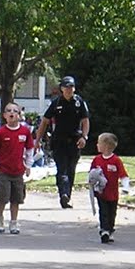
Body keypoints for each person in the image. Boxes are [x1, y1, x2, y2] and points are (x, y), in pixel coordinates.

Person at [35, 75, 90, 208]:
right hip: (59, 141)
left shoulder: (79, 102)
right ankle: (63, 194)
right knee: (62, 168)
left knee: (71, 169)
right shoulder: (56, 103)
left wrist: (84, 137)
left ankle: (67, 195)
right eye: (66, 87)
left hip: (75, 141)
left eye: (71, 87)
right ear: (62, 89)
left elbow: (85, 121)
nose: (69, 90)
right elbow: (45, 121)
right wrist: (38, 139)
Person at [0, 102, 35, 233]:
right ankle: (0, 217)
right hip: (3, 170)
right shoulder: (1, 132)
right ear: (4, 115)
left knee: (17, 197)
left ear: (19, 115)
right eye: (9, 111)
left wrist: (28, 165)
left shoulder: (25, 132)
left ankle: (14, 221)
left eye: (15, 111)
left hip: (18, 170)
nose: (12, 113)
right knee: (2, 195)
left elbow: (30, 149)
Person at [88, 132, 130, 244]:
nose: (97, 145)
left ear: (106, 146)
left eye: (99, 143)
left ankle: (110, 230)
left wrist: (126, 186)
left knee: (112, 213)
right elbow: (91, 173)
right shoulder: (97, 160)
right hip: (101, 193)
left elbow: (123, 175)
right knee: (104, 211)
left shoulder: (116, 161)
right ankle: (104, 230)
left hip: (113, 193)